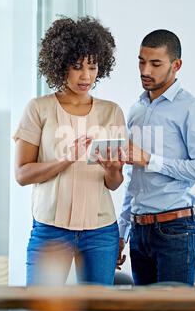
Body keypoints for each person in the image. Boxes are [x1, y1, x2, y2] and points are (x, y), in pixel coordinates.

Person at [13, 16, 126, 286]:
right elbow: (22, 173)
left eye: (92, 66)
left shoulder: (111, 111)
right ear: (60, 65)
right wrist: (64, 160)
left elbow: (114, 183)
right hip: (51, 229)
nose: (86, 76)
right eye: (77, 67)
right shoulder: (38, 108)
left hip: (100, 231)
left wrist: (112, 171)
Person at [117, 29, 195, 286]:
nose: (145, 70)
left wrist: (151, 159)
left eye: (155, 63)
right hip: (139, 232)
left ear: (176, 65)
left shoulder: (191, 108)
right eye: (141, 61)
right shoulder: (136, 109)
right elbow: (133, 176)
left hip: (175, 230)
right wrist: (122, 232)